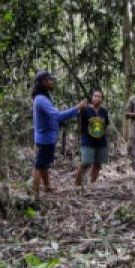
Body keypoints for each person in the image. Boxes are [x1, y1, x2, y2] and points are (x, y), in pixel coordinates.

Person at [32, 70, 86, 198]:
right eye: (50, 80)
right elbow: (57, 116)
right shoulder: (41, 99)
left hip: (47, 138)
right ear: (44, 82)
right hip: (44, 138)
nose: (53, 82)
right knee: (39, 165)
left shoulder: (43, 98)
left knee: (44, 164)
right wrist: (77, 107)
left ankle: (47, 187)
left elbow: (53, 116)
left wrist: (76, 112)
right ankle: (34, 194)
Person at [75, 89, 110, 187]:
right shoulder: (86, 110)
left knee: (98, 164)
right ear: (92, 98)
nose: (97, 98)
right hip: (87, 141)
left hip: (101, 142)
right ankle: (77, 185)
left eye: (99, 96)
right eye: (95, 96)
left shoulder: (104, 112)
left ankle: (92, 184)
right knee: (86, 163)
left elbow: (105, 125)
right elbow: (80, 123)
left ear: (102, 99)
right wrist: (80, 110)